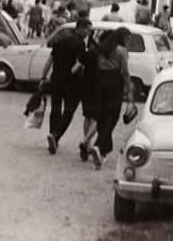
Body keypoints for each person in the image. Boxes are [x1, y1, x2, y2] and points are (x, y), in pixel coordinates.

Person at [79, 27, 134, 170]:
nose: (128, 41)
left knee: (101, 115)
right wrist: (129, 93)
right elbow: (126, 72)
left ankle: (101, 150)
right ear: (122, 38)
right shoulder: (121, 51)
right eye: (127, 38)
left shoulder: (102, 49)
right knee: (112, 117)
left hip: (101, 81)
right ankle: (98, 146)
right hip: (115, 81)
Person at [40, 18, 93, 155]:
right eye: (88, 29)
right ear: (80, 28)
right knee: (69, 111)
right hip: (71, 82)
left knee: (56, 108)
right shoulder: (79, 44)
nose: (88, 33)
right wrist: (72, 73)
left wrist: (43, 77)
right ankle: (56, 136)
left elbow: (49, 61)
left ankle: (53, 135)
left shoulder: (59, 41)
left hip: (55, 78)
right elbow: (79, 63)